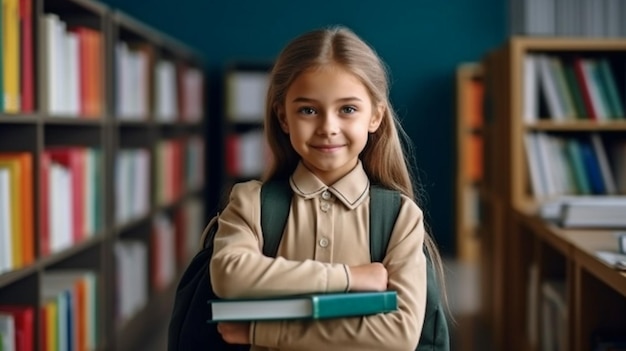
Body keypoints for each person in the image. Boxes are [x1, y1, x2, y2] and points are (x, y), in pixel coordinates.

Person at [210, 25, 445, 351]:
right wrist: (351, 277)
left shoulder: (400, 217)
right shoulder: (251, 202)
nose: (328, 128)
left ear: (375, 117)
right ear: (283, 117)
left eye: (348, 109)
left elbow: (399, 334)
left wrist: (263, 332)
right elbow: (229, 276)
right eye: (308, 110)